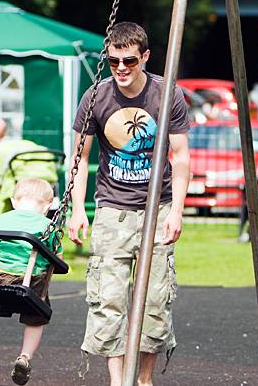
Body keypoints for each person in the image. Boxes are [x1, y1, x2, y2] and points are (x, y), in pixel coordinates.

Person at [67, 22, 190, 386]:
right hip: (112, 209)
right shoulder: (96, 96)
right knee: (109, 301)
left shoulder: (167, 95)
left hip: (159, 207)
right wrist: (77, 210)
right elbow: (77, 157)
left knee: (154, 303)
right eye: (114, 61)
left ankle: (144, 380)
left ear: (145, 57)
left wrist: (178, 211)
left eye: (130, 61)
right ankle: (118, 382)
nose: (121, 68)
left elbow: (180, 157)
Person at [0, 177, 62, 386]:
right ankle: (25, 357)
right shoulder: (48, 225)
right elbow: (57, 260)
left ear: (14, 202)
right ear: (48, 206)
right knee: (37, 315)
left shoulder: (1, 219)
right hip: (31, 283)